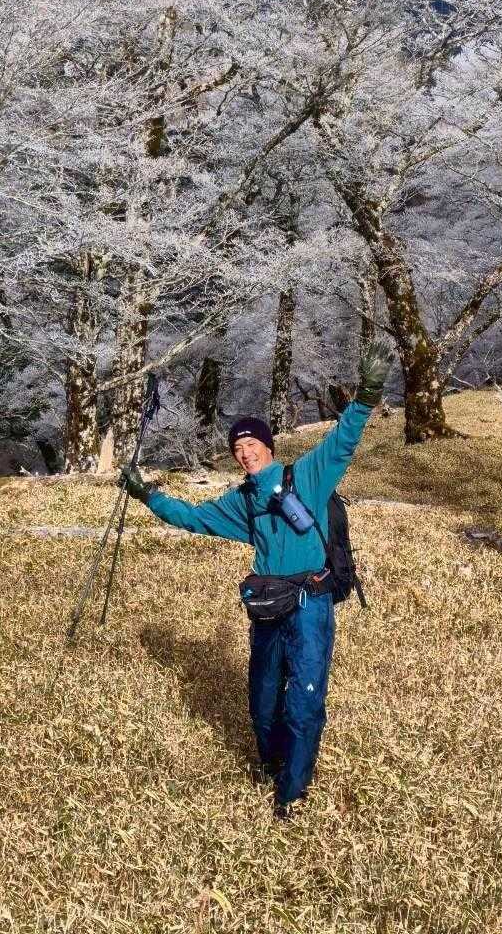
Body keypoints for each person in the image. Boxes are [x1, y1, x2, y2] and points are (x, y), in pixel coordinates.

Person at [120, 342, 393, 819]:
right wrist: (147, 496)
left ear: (268, 446)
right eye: (237, 448)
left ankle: (292, 793)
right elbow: (193, 517)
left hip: (310, 603)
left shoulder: (307, 475)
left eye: (251, 445)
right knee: (264, 702)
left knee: (304, 699)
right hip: (268, 605)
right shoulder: (243, 501)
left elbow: (343, 439)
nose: (244, 453)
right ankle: (271, 764)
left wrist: (367, 394)